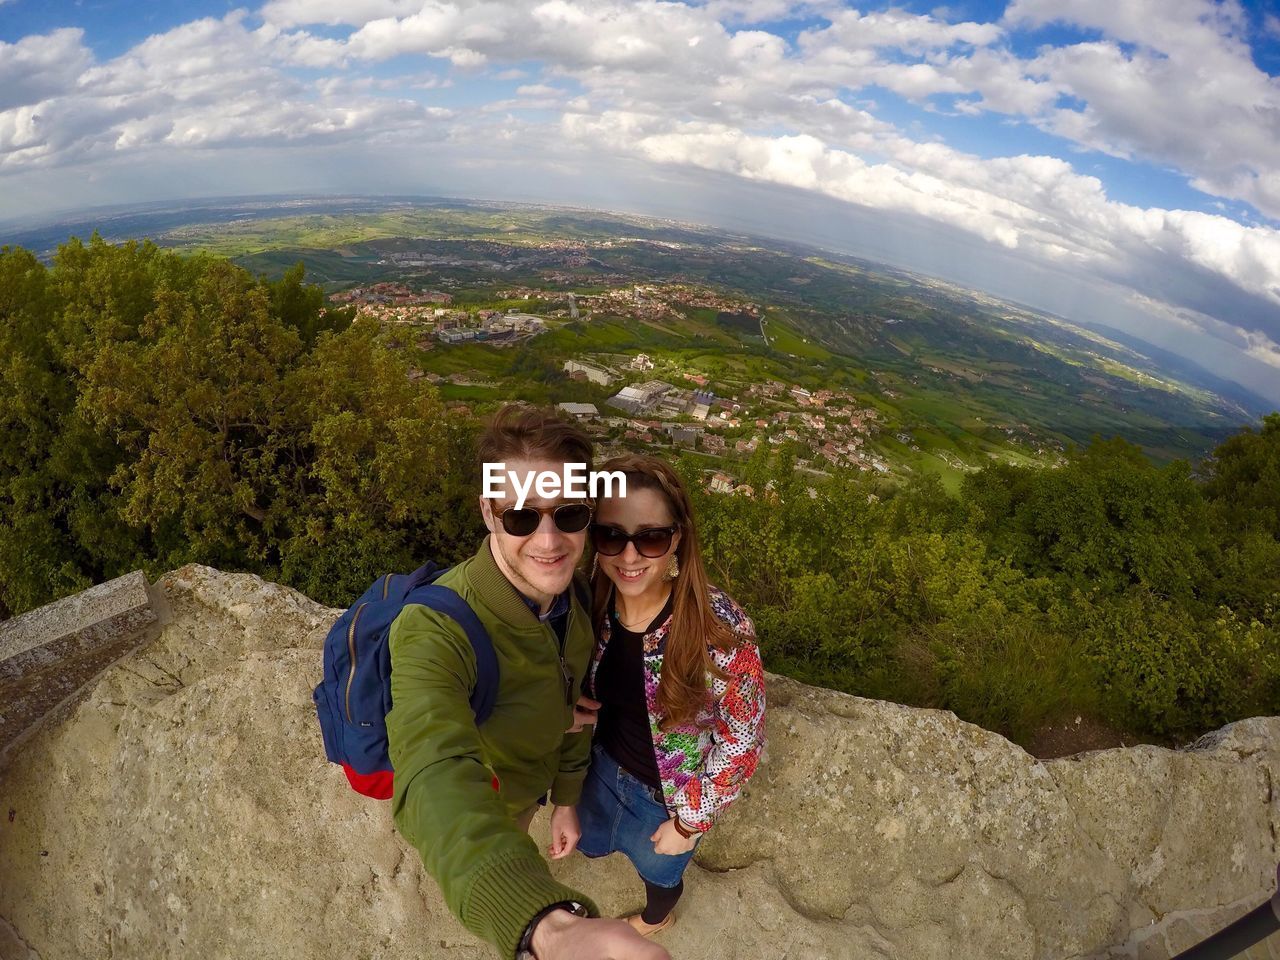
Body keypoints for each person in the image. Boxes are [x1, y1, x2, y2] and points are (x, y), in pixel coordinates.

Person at [385, 406, 669, 960]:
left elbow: (574, 702)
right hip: (498, 793)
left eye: (568, 515)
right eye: (521, 517)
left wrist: (565, 797)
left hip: (540, 779)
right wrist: (547, 927)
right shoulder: (435, 629)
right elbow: (433, 771)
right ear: (488, 512)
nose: (548, 541)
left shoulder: (578, 597)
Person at [573, 453, 766, 937]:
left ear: (676, 538)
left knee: (660, 872)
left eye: (651, 537)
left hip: (668, 797)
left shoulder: (718, 627)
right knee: (592, 840)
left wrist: (687, 824)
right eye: (611, 535)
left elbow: (742, 740)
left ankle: (657, 918)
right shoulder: (590, 600)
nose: (630, 556)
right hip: (600, 766)